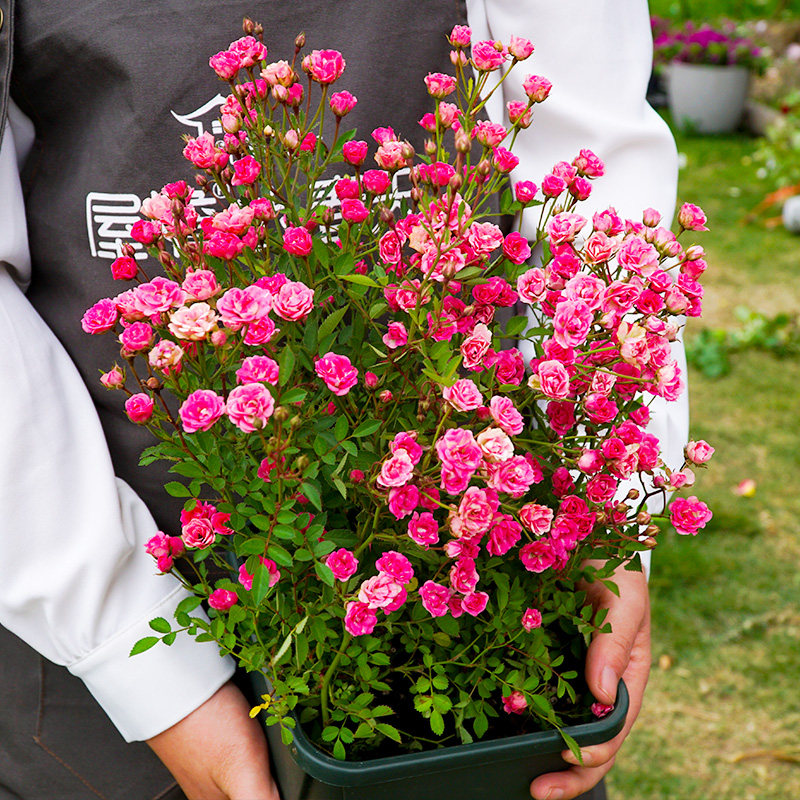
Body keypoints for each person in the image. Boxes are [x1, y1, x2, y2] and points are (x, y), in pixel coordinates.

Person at [0, 2, 684, 799]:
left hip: (484, 573)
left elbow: (593, 137)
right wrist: (133, 651)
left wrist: (606, 513)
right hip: (82, 593)